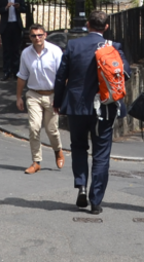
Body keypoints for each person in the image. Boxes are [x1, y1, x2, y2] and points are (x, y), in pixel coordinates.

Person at [53, 11, 126, 215]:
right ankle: (96, 200)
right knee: (101, 153)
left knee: (78, 146)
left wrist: (58, 102)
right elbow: (124, 74)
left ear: (87, 25)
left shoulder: (74, 46)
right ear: (106, 27)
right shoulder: (114, 47)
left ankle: (81, 186)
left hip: (77, 106)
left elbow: (61, 77)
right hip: (104, 107)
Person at [16, 23, 65, 173]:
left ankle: (58, 150)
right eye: (33, 36)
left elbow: (63, 76)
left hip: (52, 95)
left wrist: (63, 97)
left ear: (45, 35)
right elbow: (22, 76)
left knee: (52, 130)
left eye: (40, 35)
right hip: (34, 95)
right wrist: (18, 97)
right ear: (30, 37)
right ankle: (36, 161)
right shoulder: (26, 53)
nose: (37, 38)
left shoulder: (55, 51)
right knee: (34, 127)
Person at [0, 0, 29, 79]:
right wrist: (5, 8)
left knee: (15, 50)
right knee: (6, 50)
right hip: (6, 25)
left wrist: (18, 7)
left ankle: (16, 71)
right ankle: (6, 71)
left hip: (16, 25)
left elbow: (25, 9)